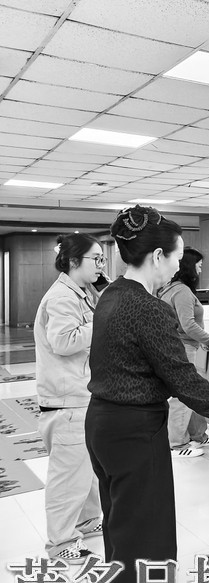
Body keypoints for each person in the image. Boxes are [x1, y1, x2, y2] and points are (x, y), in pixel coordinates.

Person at [85, 206, 209, 583]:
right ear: (158, 256)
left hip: (103, 423)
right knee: (149, 537)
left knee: (122, 529)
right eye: (178, 257)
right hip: (133, 431)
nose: (180, 267)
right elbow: (180, 374)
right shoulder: (148, 306)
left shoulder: (112, 294)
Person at [33, 233, 106, 563]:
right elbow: (64, 342)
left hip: (78, 398)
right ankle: (61, 543)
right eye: (96, 258)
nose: (101, 265)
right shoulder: (62, 297)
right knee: (68, 479)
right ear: (74, 261)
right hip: (66, 403)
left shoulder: (81, 293)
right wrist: (103, 321)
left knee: (84, 470)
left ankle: (86, 521)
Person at [158, 247, 209, 458]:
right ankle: (176, 444)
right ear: (189, 266)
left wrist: (201, 341)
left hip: (184, 346)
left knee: (194, 392)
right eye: (199, 266)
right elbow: (188, 325)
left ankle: (198, 434)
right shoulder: (182, 291)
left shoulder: (172, 289)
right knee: (183, 396)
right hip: (184, 349)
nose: (200, 270)